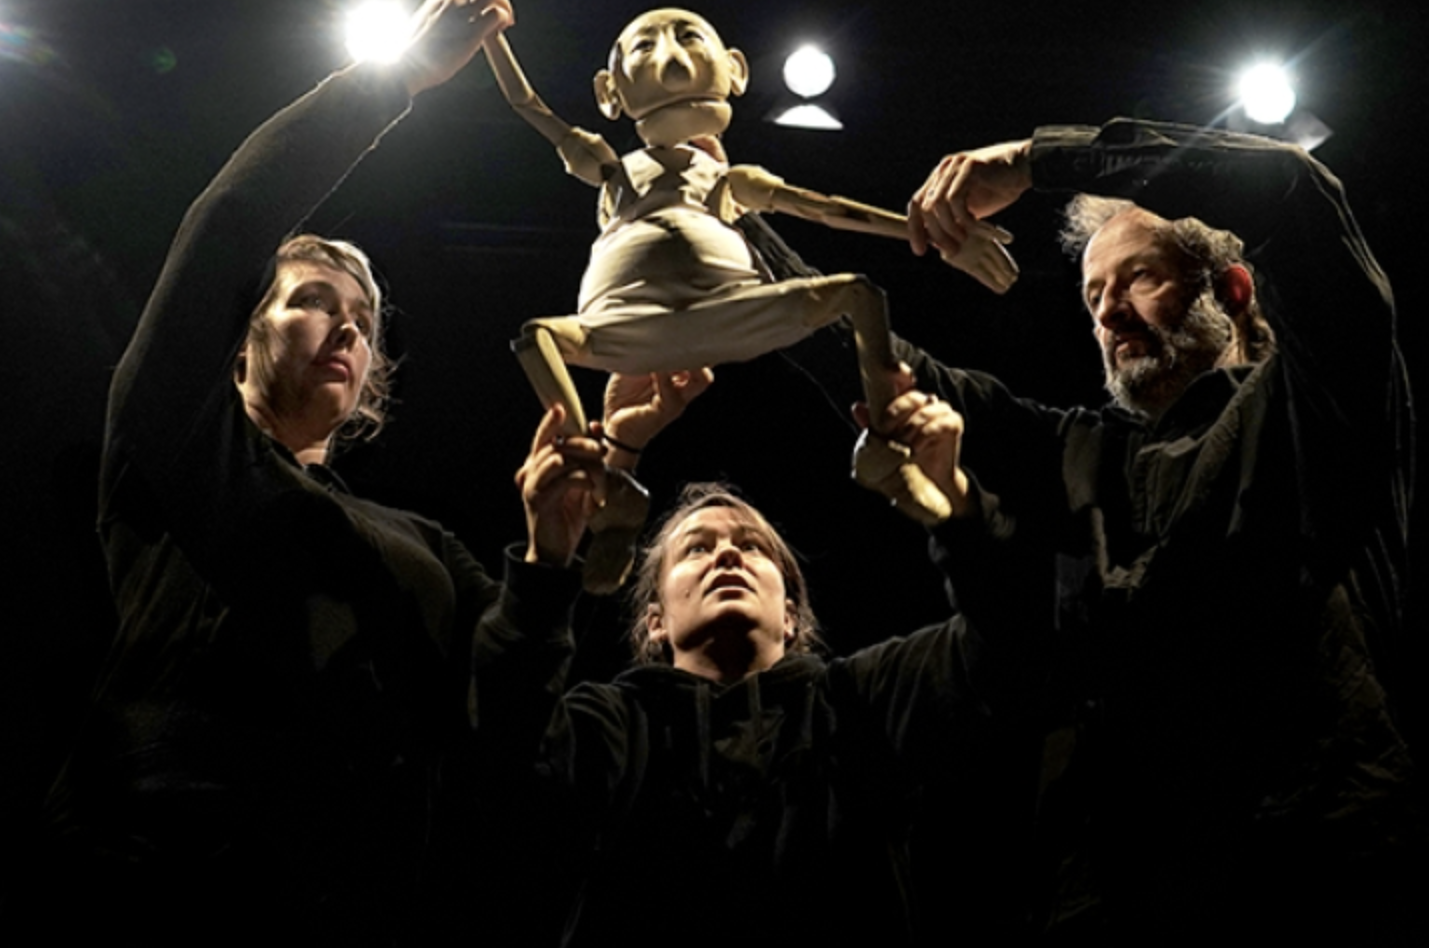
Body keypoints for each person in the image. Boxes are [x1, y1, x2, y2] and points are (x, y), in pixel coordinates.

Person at [782, 120, 1429, 939]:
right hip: (1109, 909)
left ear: (1233, 291)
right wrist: (709, 228)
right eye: (1093, 297)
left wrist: (1036, 162)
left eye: (1138, 279)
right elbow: (874, 360)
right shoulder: (1076, 453)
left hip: (1315, 885)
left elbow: (1296, 189)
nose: (1109, 314)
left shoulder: (1313, 405)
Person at [36, 3, 566, 944]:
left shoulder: (423, 547)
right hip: (146, 889)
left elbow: (508, 710)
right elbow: (226, 226)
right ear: (244, 336)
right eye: (313, 302)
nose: (348, 327)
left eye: (362, 319)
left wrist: (556, 551)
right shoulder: (184, 448)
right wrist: (393, 82)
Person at [470, 377, 1047, 944]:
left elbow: (1010, 644)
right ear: (655, 621)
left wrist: (959, 507)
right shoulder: (616, 723)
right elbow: (504, 752)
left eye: (752, 546)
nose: (727, 554)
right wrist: (546, 561)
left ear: (791, 615)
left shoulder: (859, 702)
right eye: (696, 548)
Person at [479, 7, 1018, 531]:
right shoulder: (611, 169)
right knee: (537, 338)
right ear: (609, 92)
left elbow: (824, 208)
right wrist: (490, 36)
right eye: (645, 46)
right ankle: (596, 478)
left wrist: (935, 231)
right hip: (624, 321)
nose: (673, 64)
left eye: (689, 38)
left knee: (859, 294)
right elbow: (528, 104)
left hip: (732, 309)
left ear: (734, 70)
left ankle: (884, 450)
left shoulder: (725, 178)